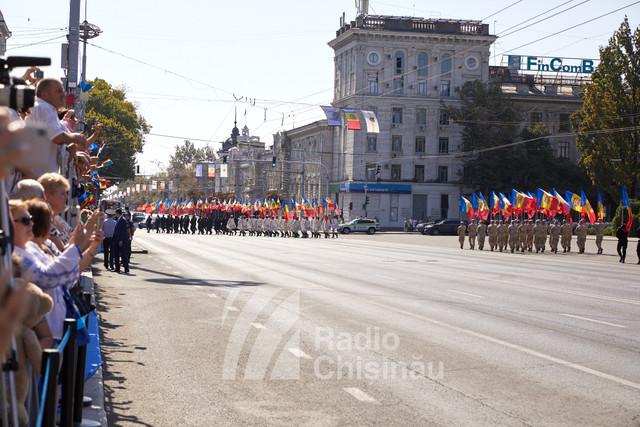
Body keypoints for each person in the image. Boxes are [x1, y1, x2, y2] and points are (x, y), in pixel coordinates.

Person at [25, 78, 87, 178]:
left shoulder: (48, 109)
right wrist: (75, 138)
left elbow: (65, 137)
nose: (63, 95)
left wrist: (73, 145)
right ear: (45, 95)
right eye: (58, 91)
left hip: (43, 176)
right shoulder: (43, 107)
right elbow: (57, 136)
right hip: (37, 177)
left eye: (63, 91)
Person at [112, 208, 130, 273]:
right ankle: (117, 268)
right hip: (117, 239)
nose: (115, 214)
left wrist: (121, 240)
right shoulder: (119, 219)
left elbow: (123, 231)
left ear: (117, 213)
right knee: (116, 254)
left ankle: (126, 268)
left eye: (115, 213)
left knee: (122, 254)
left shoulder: (122, 220)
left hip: (120, 240)